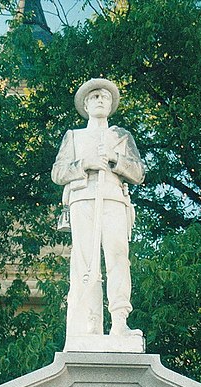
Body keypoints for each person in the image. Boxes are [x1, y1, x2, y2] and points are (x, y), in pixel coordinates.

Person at [52, 78, 145, 340]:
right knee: (86, 261)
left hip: (113, 198)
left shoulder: (121, 136)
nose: (100, 99)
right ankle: (89, 324)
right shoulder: (74, 136)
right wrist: (85, 163)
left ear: (111, 104)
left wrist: (116, 160)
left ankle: (119, 321)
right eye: (94, 97)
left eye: (105, 96)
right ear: (86, 104)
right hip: (83, 198)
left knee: (117, 258)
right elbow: (58, 172)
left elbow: (138, 172)